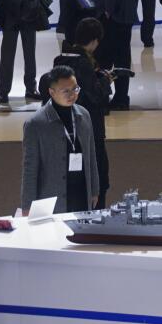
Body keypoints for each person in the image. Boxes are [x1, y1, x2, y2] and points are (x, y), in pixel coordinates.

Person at [20, 65, 99, 213]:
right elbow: (29, 169)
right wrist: (27, 206)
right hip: (51, 199)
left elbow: (91, 156)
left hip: (81, 192)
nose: (72, 95)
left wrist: (94, 189)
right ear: (52, 92)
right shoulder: (35, 124)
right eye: (65, 91)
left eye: (75, 89)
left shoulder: (84, 115)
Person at [60, 17, 111, 208]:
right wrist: (105, 82)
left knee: (74, 178)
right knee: (99, 177)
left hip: (68, 130)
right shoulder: (83, 63)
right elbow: (96, 95)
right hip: (91, 130)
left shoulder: (63, 58)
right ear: (95, 40)